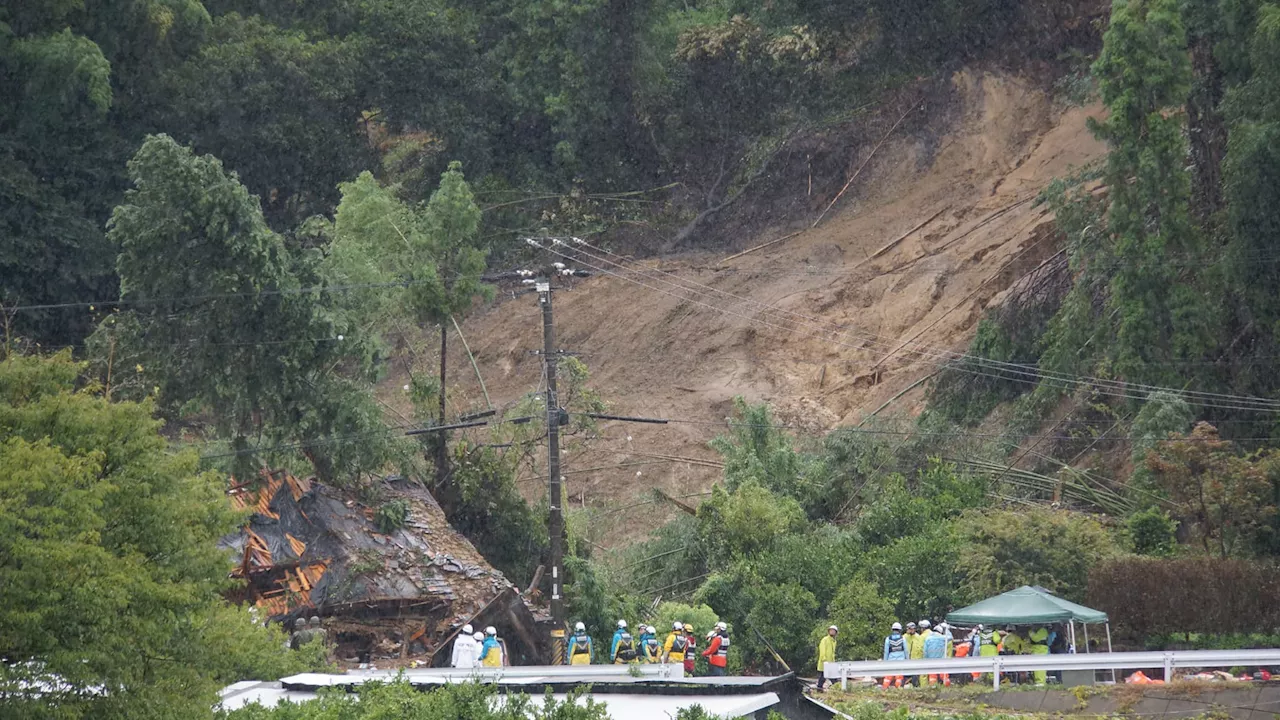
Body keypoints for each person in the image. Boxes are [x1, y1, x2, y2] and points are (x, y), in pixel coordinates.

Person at [923, 621, 950, 686]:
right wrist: (947, 629)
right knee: (944, 677)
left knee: (932, 678)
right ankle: (947, 690)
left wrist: (926, 661)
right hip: (942, 661)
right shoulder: (943, 638)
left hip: (931, 662)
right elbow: (950, 637)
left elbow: (925, 651)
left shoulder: (928, 639)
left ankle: (933, 689)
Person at [882, 622, 907, 688]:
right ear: (900, 630)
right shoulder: (902, 638)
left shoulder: (888, 639)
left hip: (891, 661)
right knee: (899, 677)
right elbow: (906, 650)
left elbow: (886, 652)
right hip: (901, 661)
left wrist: (885, 662)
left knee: (888, 677)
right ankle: (898, 690)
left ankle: (884, 689)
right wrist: (907, 660)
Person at [816, 625, 838, 691]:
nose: (832, 632)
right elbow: (822, 650)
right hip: (825, 663)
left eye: (833, 631)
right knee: (824, 677)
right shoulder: (825, 639)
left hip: (831, 663)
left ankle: (820, 689)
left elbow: (832, 653)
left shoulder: (834, 641)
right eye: (831, 630)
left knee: (830, 677)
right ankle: (819, 689)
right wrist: (824, 660)